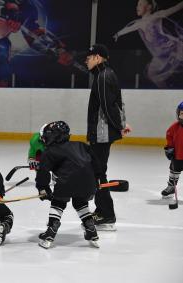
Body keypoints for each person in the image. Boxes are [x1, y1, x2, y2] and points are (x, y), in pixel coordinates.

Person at [85, 44, 132, 231]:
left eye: (89, 57)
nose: (86, 61)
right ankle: (103, 211)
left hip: (102, 134)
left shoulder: (103, 77)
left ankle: (106, 213)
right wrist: (122, 122)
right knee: (97, 171)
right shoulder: (105, 75)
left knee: (97, 173)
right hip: (102, 133)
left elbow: (108, 105)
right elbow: (117, 103)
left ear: (98, 57)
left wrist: (120, 125)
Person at [36, 121, 100, 249]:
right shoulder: (81, 145)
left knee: (58, 203)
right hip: (88, 183)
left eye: (46, 135)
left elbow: (43, 172)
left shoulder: (50, 151)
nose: (44, 138)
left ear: (52, 136)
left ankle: (50, 233)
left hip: (66, 183)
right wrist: (96, 181)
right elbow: (96, 164)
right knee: (81, 203)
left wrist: (43, 188)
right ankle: (91, 229)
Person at [113, 0, 183, 88]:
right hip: (161, 56)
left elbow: (175, 8)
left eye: (140, 4)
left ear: (149, 7)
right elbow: (129, 28)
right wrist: (118, 34)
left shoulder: (156, 16)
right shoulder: (139, 23)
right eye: (137, 5)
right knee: (151, 74)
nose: (137, 7)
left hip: (174, 49)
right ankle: (165, 92)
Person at [161, 101, 183, 198]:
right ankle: (171, 187)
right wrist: (169, 148)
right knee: (174, 171)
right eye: (182, 113)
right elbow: (169, 137)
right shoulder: (174, 127)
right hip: (178, 155)